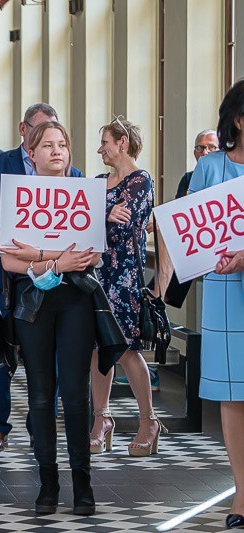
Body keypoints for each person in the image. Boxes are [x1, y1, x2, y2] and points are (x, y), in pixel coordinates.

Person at [0, 121, 100, 516]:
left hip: (77, 301)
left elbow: (91, 256)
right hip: (32, 305)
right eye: (47, 145)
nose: (56, 151)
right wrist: (57, 259)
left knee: (75, 394)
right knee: (40, 394)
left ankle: (83, 482)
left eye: (62, 145)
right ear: (32, 151)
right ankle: (48, 481)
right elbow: (8, 259)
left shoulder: (85, 193)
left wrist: (35, 253)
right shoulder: (18, 195)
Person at [0, 103, 83, 452]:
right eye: (42, 135)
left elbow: (82, 241)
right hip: (4, 274)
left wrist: (38, 253)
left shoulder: (75, 178)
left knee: (47, 365)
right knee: (0, 351)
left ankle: (41, 429)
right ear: (26, 134)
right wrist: (18, 246)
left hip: (59, 283)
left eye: (58, 139)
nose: (51, 145)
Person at [89, 117, 164, 457]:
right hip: (96, 274)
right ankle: (101, 419)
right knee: (96, 347)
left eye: (104, 141)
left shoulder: (141, 179)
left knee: (128, 349)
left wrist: (98, 213)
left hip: (124, 276)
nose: (100, 149)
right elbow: (83, 217)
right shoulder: (98, 182)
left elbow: (129, 219)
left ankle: (148, 420)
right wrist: (104, 213)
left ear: (122, 142)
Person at [188, 78, 244, 530]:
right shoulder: (210, 169)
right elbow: (189, 234)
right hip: (226, 292)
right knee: (232, 391)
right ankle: (242, 491)